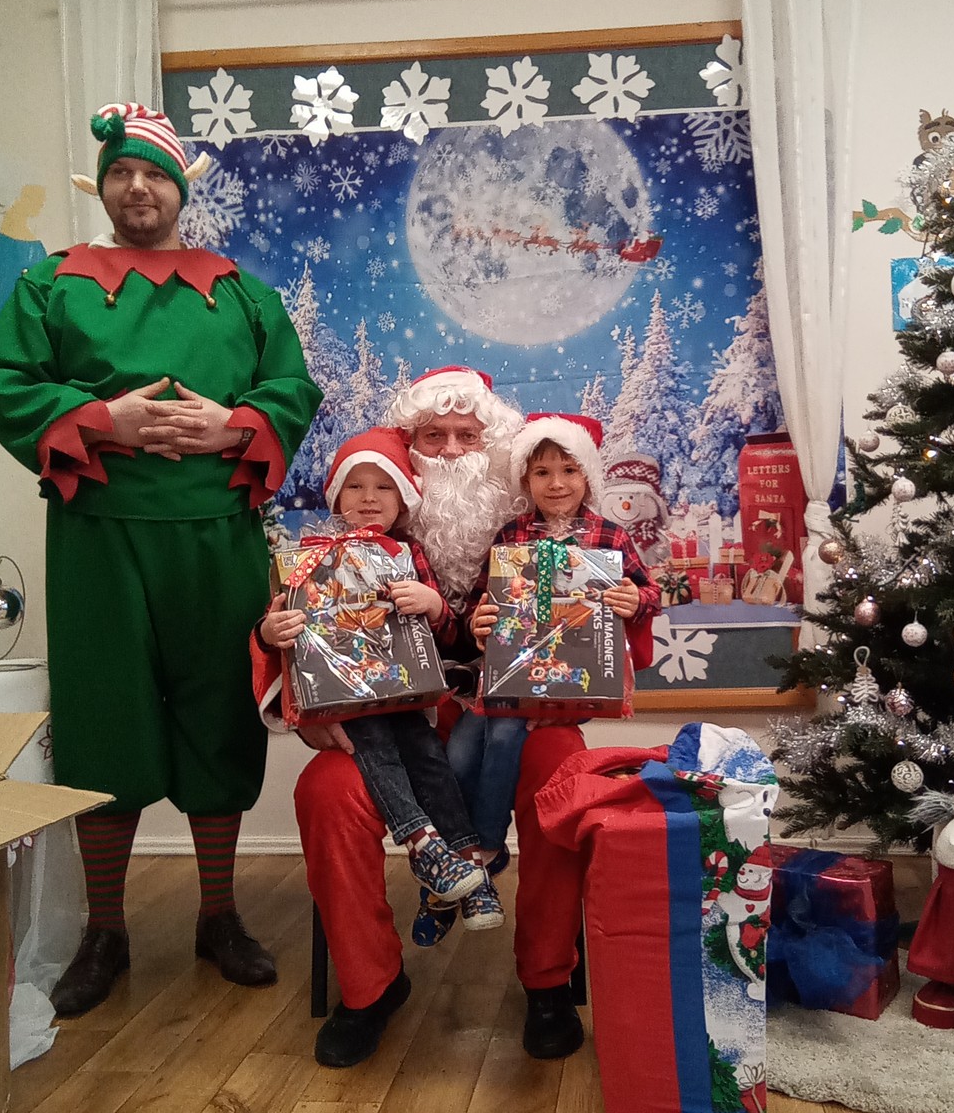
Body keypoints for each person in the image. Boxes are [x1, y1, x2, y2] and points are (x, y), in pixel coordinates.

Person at [0, 103, 321, 1017]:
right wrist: (103, 420)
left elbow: (291, 386)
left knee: (221, 712)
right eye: (122, 172)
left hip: (219, 533)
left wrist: (232, 425)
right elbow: (2, 379)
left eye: (156, 173)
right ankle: (105, 929)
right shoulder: (52, 285)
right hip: (100, 538)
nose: (139, 188)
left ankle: (218, 914)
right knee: (105, 717)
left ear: (180, 188)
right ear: (102, 185)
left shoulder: (240, 291)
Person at [291, 367, 605, 1066]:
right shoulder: (362, 532)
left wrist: (558, 677)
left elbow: (607, 634)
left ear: (496, 448)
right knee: (327, 792)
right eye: (434, 438)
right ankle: (371, 985)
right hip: (399, 718)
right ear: (408, 452)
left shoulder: (537, 525)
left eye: (469, 437)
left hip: (519, 713)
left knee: (564, 772)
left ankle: (547, 978)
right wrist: (307, 711)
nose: (454, 453)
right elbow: (296, 637)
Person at [254, 427, 500, 922]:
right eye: (356, 486)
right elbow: (277, 627)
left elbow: (450, 636)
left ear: (403, 497)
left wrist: (433, 605)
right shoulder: (309, 557)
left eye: (384, 486)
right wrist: (268, 631)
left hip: (408, 695)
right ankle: (423, 845)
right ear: (336, 495)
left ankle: (469, 863)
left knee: (428, 758)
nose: (369, 498)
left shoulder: (409, 556)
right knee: (376, 752)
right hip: (345, 697)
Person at [462, 413, 660, 870]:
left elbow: (650, 593)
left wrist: (635, 599)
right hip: (513, 674)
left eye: (569, 470)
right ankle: (461, 837)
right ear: (526, 481)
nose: (556, 484)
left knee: (505, 734)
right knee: (459, 751)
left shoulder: (609, 536)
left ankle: (487, 845)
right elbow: (480, 599)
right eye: (542, 472)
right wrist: (480, 621)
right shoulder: (511, 536)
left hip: (578, 679)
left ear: (587, 476)